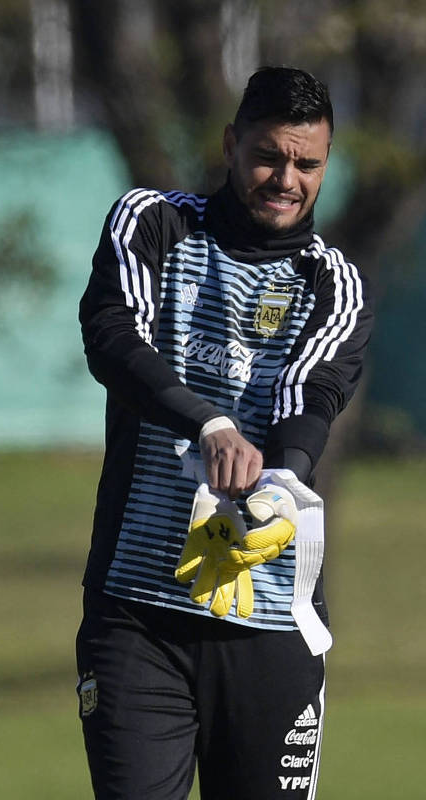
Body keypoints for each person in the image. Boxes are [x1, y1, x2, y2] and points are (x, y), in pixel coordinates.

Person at [75, 66, 371, 800]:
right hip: (138, 614)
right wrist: (208, 424)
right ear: (231, 143)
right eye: (270, 156)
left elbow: (313, 396)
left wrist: (279, 479)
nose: (287, 178)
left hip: (269, 624)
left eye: (308, 164)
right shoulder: (153, 222)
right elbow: (112, 338)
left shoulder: (333, 282)